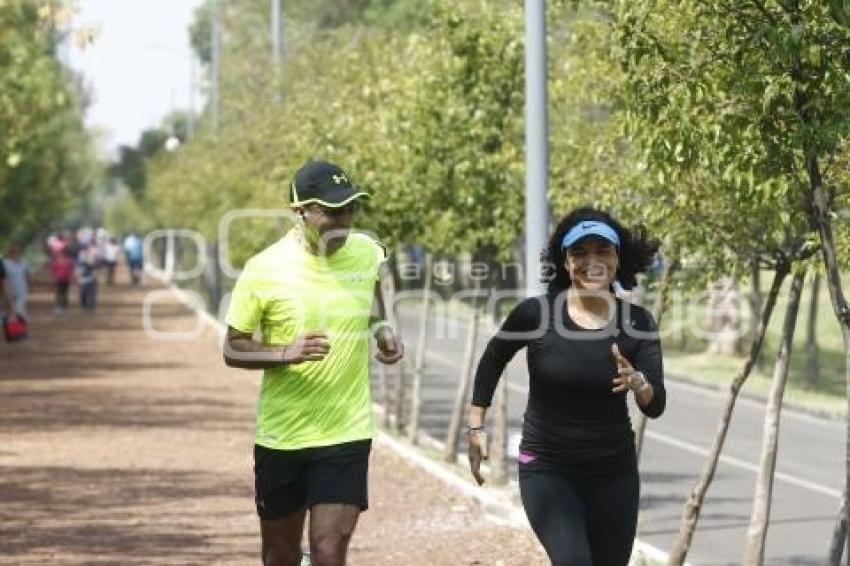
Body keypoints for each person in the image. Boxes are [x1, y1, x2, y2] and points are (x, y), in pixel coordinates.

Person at [223, 159, 404, 566]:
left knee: (328, 551)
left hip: (346, 429)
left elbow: (373, 302)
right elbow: (232, 346)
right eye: (331, 211)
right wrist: (284, 353)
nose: (344, 221)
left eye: (350, 209)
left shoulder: (367, 253)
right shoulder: (263, 269)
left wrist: (383, 332)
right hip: (283, 435)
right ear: (300, 211)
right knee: (279, 555)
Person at [467, 206, 666, 566]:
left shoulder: (637, 321)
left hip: (614, 473)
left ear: (618, 259)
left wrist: (639, 382)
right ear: (564, 261)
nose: (592, 261)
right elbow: (493, 358)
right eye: (579, 252)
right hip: (548, 466)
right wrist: (476, 425)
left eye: (603, 251)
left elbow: (655, 405)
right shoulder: (535, 314)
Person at [3, 242, 28, 320]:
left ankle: (20, 329)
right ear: (10, 252)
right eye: (14, 251)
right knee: (10, 312)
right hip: (9, 291)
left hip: (22, 290)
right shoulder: (5, 263)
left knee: (19, 311)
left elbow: (26, 276)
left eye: (18, 251)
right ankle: (11, 329)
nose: (16, 253)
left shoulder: (24, 262)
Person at [50, 248, 75, 315]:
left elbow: (71, 270)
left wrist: (71, 277)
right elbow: (53, 270)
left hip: (66, 279)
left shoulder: (69, 261)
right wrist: (53, 278)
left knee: (65, 293)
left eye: (62, 253)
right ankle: (58, 307)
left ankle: (64, 307)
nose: (61, 254)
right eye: (60, 253)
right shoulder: (56, 261)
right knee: (59, 293)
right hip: (58, 279)